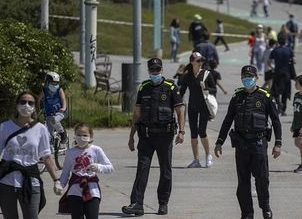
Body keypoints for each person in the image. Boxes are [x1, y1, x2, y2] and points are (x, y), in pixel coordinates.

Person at [214, 65, 282, 219]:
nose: (247, 79)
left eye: (249, 76)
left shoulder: (265, 96)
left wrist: (278, 144)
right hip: (241, 144)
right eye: (244, 76)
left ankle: (265, 207)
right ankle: (247, 213)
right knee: (243, 182)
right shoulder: (237, 96)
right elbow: (227, 120)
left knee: (262, 179)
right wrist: (219, 142)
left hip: (258, 143)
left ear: (256, 77)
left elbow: (276, 121)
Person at [122, 58, 185, 216]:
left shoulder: (170, 87)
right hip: (146, 136)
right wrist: (131, 137)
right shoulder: (144, 87)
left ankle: (163, 203)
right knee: (142, 169)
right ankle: (137, 203)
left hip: (165, 136)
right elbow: (137, 114)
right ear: (149, 71)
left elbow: (180, 110)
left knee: (165, 170)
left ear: (162, 70)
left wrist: (182, 131)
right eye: (152, 70)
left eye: (157, 70)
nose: (155, 73)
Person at [0, 91, 62, 219]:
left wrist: (56, 180)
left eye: (30, 103)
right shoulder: (4, 127)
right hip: (7, 181)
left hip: (31, 180)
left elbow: (46, 156)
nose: (26, 105)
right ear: (17, 105)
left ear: (34, 107)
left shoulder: (40, 129)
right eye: (23, 102)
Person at [59, 122, 114, 219]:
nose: (81, 137)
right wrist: (60, 185)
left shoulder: (96, 150)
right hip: (74, 190)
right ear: (75, 136)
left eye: (84, 135)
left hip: (92, 190)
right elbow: (65, 172)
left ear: (90, 136)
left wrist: (98, 167)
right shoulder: (70, 152)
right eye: (78, 135)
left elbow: (110, 167)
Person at [180, 52, 216, 168]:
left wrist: (205, 88)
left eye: (201, 60)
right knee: (193, 133)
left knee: (202, 131)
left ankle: (208, 156)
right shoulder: (188, 76)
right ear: (192, 62)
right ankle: (196, 160)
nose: (201, 63)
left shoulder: (206, 74)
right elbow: (182, 91)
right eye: (198, 60)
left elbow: (214, 89)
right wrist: (177, 102)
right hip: (192, 106)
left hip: (204, 106)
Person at [37, 71, 68, 144]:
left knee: (54, 120)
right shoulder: (44, 91)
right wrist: (38, 109)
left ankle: (62, 133)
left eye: (56, 83)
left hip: (60, 112)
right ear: (47, 82)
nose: (55, 85)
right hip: (49, 114)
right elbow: (38, 100)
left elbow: (63, 99)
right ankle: (50, 147)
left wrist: (63, 108)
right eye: (52, 83)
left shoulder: (59, 90)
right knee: (48, 132)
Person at [268, 36, 295, 116]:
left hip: (277, 73)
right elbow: (294, 60)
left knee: (276, 91)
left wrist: (273, 68)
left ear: (278, 42)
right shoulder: (289, 50)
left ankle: (279, 105)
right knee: (285, 92)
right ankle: (283, 110)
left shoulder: (275, 50)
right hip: (287, 73)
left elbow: (269, 62)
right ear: (285, 41)